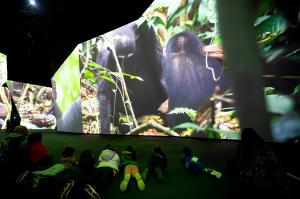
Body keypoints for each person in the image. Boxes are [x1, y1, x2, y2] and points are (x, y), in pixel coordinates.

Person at [236, 127, 291, 198]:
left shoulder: (249, 149)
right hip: (273, 182)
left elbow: (243, 169)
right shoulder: (267, 147)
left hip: (260, 184)